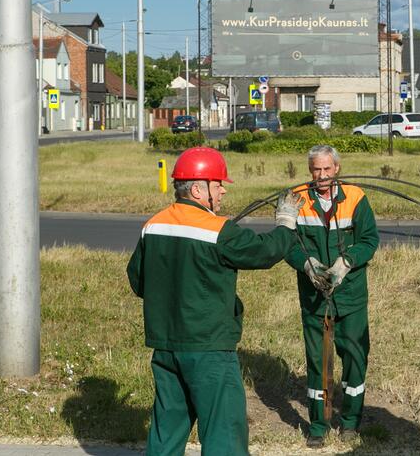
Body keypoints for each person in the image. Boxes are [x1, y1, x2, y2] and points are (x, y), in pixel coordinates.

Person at [126, 147, 303, 456]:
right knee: (224, 434)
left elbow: (138, 281)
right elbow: (264, 252)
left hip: (166, 348)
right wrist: (286, 223)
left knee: (166, 431)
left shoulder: (153, 225)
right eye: (218, 184)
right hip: (208, 349)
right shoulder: (218, 230)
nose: (222, 190)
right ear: (197, 189)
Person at [284, 145, 379, 448]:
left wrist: (348, 261)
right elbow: (287, 243)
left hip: (350, 296)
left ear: (337, 168)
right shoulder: (296, 199)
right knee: (318, 362)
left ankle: (350, 422)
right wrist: (306, 264)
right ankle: (318, 425)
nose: (321, 176)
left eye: (327, 169)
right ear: (309, 169)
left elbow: (370, 240)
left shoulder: (355, 198)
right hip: (314, 298)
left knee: (354, 356)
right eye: (316, 170)